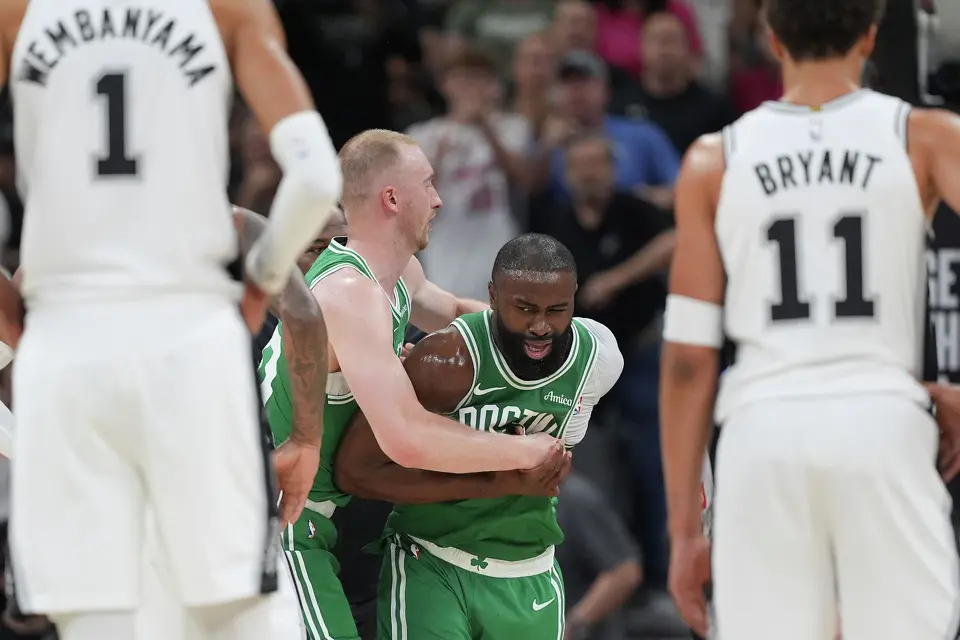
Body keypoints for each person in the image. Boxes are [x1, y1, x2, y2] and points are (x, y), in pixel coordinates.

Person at [0, 0, 342, 638]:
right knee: (243, 614)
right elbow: (318, 179)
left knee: (98, 620)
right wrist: (259, 284)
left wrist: (16, 317)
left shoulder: (16, 14)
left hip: (67, 343)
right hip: (189, 335)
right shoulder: (229, 9)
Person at [660, 0, 960, 638]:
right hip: (882, 420)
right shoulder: (925, 135)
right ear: (870, 37)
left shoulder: (713, 160)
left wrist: (686, 530)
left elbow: (688, 361)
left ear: (771, 40)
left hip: (759, 432)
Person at [259, 131, 563, 639]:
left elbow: (457, 314)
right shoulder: (349, 293)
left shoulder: (397, 276)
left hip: (317, 520)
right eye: (428, 183)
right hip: (278, 520)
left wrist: (555, 337)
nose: (439, 199)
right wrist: (523, 453)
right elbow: (406, 436)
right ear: (392, 198)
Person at [332, 233, 624, 639]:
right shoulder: (445, 360)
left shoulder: (598, 361)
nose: (541, 326)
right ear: (492, 296)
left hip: (531, 572)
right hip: (432, 560)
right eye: (524, 309)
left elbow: (558, 462)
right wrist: (495, 481)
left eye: (557, 310)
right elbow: (354, 471)